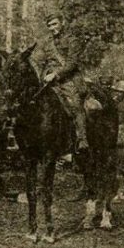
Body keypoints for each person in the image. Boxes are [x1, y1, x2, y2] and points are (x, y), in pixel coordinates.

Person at [33, 13, 89, 152]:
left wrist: (56, 74)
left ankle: (82, 139)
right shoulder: (46, 41)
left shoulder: (72, 40)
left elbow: (72, 63)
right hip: (47, 78)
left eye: (55, 24)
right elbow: (39, 59)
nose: (52, 28)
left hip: (67, 78)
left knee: (75, 104)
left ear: (62, 22)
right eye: (49, 25)